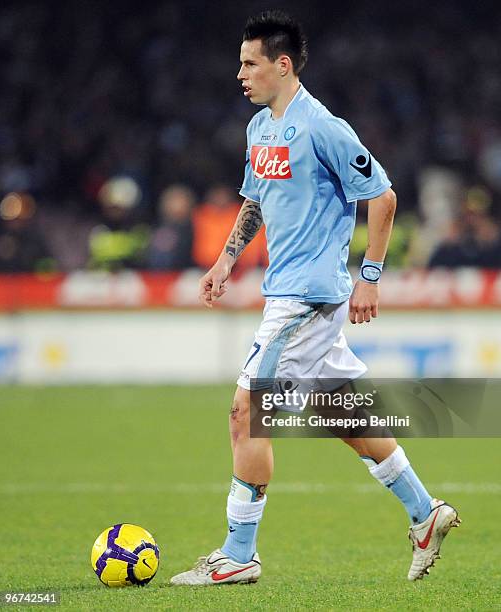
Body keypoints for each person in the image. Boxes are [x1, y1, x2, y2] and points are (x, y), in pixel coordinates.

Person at [171, 10, 460, 586]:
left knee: (245, 413)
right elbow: (255, 201)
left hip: (307, 298)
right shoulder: (259, 130)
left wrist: (370, 275)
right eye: (240, 62)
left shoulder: (324, 128)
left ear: (282, 64)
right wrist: (227, 258)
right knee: (341, 412)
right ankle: (426, 514)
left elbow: (383, 196)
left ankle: (239, 554)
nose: (240, 74)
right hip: (286, 291)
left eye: (250, 62)